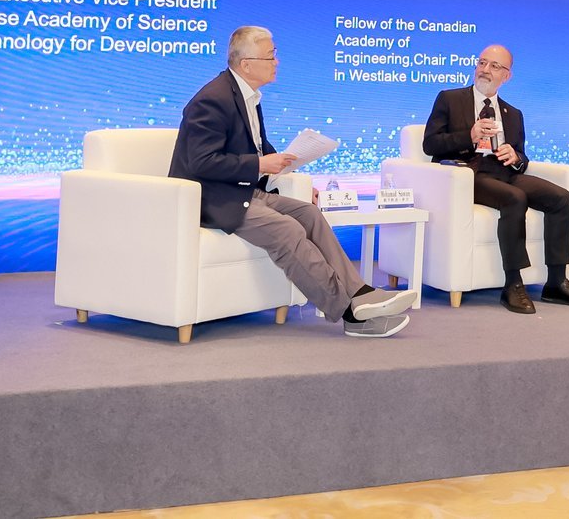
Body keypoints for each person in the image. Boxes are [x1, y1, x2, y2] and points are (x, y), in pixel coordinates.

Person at [169, 25, 415, 337]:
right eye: (270, 56)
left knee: (308, 213)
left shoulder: (248, 96)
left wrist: (289, 169)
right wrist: (259, 164)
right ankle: (349, 312)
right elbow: (201, 162)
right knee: (287, 228)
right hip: (214, 199)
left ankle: (360, 292)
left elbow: (256, 146)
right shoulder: (212, 100)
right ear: (246, 64)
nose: (277, 62)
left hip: (244, 191)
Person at [423, 44, 569, 314]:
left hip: (504, 173)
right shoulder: (450, 99)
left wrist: (515, 157)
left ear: (506, 76)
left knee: (561, 198)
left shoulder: (513, 113)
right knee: (515, 198)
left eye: (494, 66)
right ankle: (513, 284)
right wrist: (469, 136)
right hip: (468, 174)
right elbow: (430, 144)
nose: (485, 70)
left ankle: (556, 282)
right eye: (482, 63)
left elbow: (522, 157)